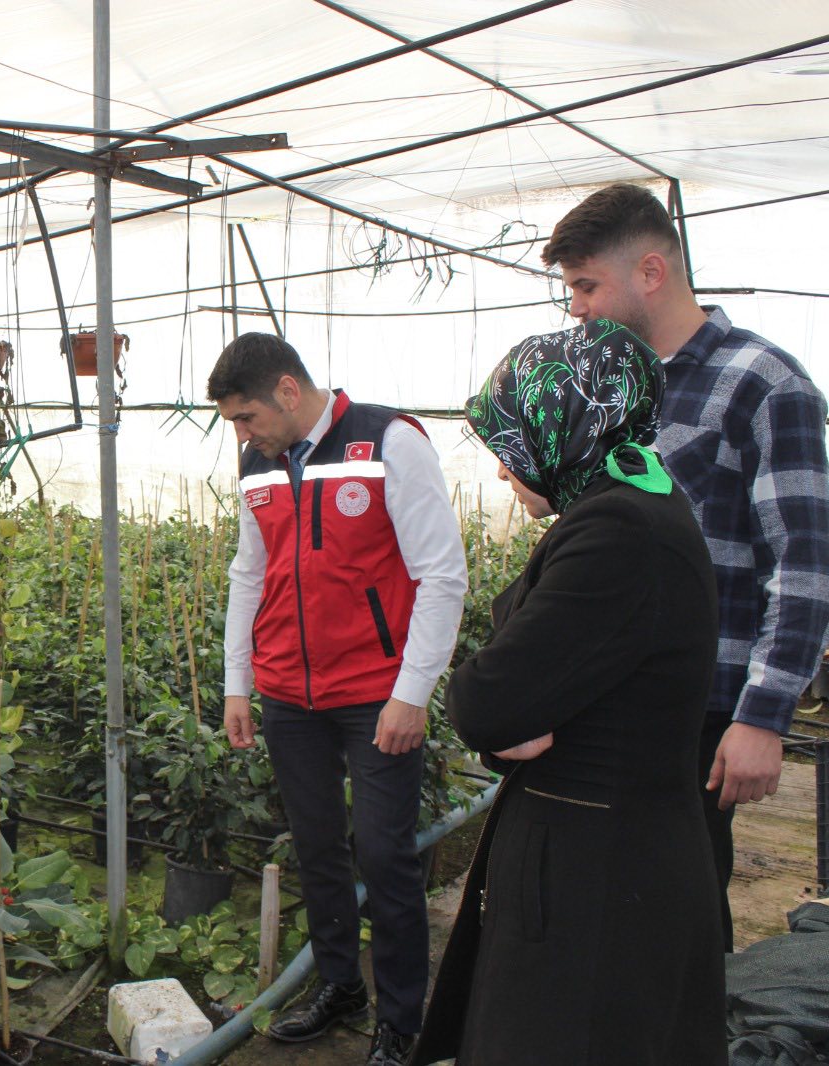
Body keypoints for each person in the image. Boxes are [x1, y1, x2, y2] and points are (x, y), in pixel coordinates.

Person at [411, 319, 726, 1066]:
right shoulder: (637, 504)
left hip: (599, 881)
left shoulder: (618, 529)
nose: (501, 472)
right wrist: (513, 709)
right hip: (608, 856)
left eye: (511, 447)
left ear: (566, 427)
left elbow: (487, 700)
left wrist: (497, 712)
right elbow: (515, 694)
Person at [542, 182, 829, 950]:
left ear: (650, 272)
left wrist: (764, 717)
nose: (576, 308)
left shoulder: (765, 383)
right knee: (604, 907)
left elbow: (804, 565)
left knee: (680, 908)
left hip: (696, 708)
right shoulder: (605, 387)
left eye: (585, 285)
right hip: (605, 697)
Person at [208, 334, 467, 1066]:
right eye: (233, 422)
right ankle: (338, 987)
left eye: (247, 416)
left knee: (384, 855)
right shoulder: (257, 463)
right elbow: (246, 574)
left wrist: (411, 693)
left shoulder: (389, 441)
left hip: (374, 697)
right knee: (318, 849)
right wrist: (240, 683)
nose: (242, 433)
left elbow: (442, 575)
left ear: (289, 391)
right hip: (290, 694)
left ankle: (403, 1020)